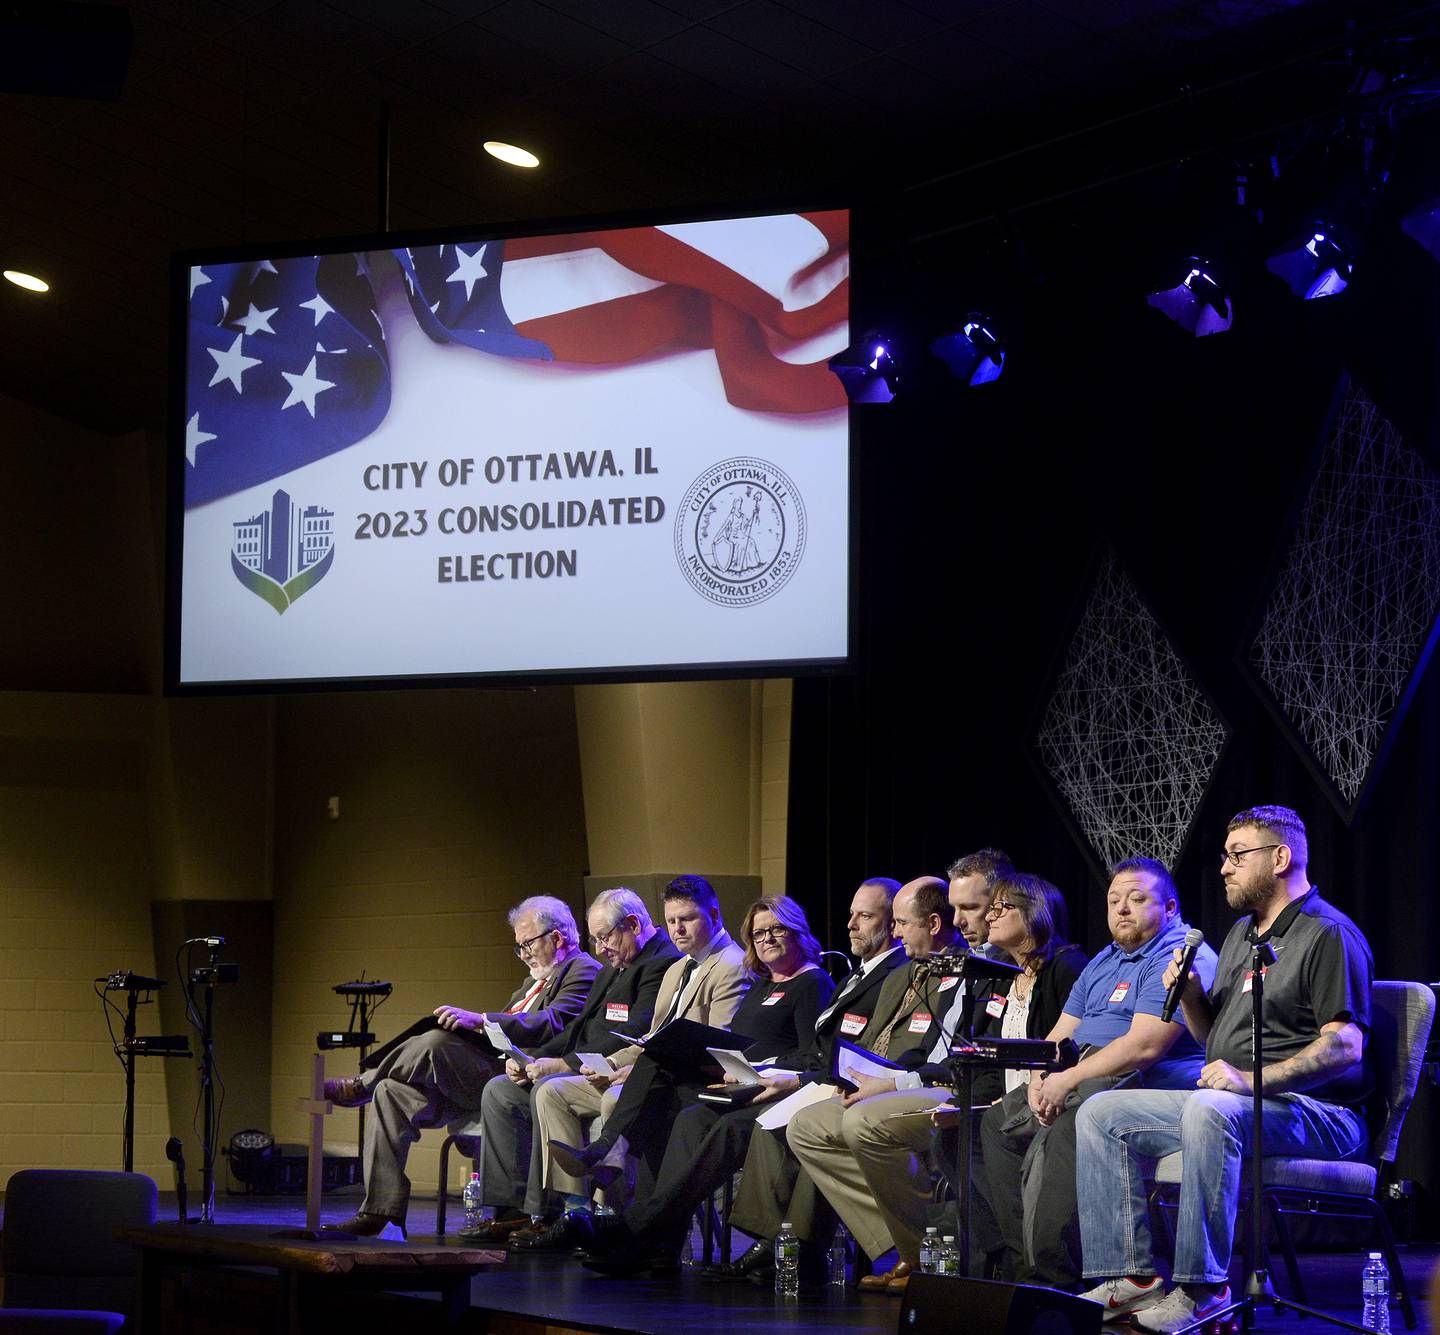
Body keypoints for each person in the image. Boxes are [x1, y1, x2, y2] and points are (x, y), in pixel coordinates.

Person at [1077, 806, 1373, 1334]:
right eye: (1225, 856)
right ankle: (1130, 1279)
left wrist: (1248, 1083)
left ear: (1280, 858)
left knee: (1212, 1107)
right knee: (1103, 1112)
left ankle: (1203, 1289)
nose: (1224, 868)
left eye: (1238, 856)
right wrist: (1189, 995)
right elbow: (1212, 1037)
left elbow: (1345, 1048)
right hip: (1236, 1102)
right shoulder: (1241, 934)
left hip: (1321, 1114)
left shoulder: (1328, 934)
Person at [719, 856, 1012, 1284]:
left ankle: (901, 1247)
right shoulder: (905, 974)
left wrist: (882, 1083)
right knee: (804, 1126)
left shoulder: (977, 969)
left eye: (893, 921)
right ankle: (906, 1244)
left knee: (851, 1123)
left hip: (938, 1088)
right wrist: (855, 1079)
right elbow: (874, 1040)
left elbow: (945, 1057)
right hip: (874, 1081)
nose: (891, 932)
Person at [790, 870, 1086, 1294]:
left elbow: (1034, 1052)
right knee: (807, 1124)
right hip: (957, 1085)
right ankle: (910, 1248)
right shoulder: (987, 966)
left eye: (976, 908)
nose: (961, 919)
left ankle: (943, 1257)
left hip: (988, 1094)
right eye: (959, 908)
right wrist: (884, 1075)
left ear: (1033, 913)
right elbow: (941, 1046)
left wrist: (904, 1085)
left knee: (868, 1125)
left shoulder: (1051, 967)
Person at [974, 857, 1217, 1290]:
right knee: (995, 1123)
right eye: (1113, 900)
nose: (1121, 909)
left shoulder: (1178, 954)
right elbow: (1059, 1033)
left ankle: (1056, 1276)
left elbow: (1145, 1046)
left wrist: (1066, 1080)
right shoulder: (1103, 960)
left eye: (1137, 899)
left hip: (1137, 1082)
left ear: (1171, 908)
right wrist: (1038, 1077)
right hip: (1080, 1070)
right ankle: (1023, 1264)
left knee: (1068, 1125)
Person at [572, 894, 837, 1274]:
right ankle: (656, 1246)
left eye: (776, 929)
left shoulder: (812, 983)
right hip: (734, 1083)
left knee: (689, 1105)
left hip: (772, 1093)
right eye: (758, 933)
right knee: (677, 1114)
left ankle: (637, 1230)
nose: (766, 939)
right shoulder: (761, 984)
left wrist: (762, 1068)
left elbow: (814, 1059)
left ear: (796, 930)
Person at [324, 895, 599, 1236]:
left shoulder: (583, 970)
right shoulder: (530, 984)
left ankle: (361, 1085)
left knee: (435, 1044)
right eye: (519, 947)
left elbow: (552, 1022)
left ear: (556, 938)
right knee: (390, 1092)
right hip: (482, 1081)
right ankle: (380, 1212)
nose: (524, 954)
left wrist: (480, 1021)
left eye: (527, 944)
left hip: (519, 1080)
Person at [466, 887, 679, 1242]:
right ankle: (543, 1210)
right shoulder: (617, 964)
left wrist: (561, 1065)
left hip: (621, 1072)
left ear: (632, 925)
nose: (600, 949)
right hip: (589, 1068)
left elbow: (633, 1031)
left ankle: (559, 1213)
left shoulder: (659, 963)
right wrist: (532, 1059)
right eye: (595, 939)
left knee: (549, 1090)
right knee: (501, 1090)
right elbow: (578, 1028)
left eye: (604, 937)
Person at [527, 875, 749, 1211]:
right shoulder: (678, 969)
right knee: (552, 1092)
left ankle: (609, 1212)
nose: (678, 929)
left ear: (714, 916)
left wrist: (636, 1069)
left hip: (691, 1083)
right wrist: (615, 1064)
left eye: (687, 919)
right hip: (651, 1073)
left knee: (616, 1099)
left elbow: (718, 1046)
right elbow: (650, 1039)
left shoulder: (732, 966)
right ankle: (575, 1210)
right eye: (672, 921)